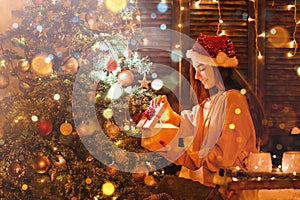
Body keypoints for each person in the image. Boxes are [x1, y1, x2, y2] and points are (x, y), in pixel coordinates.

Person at [142, 33, 268, 200]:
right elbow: (194, 126)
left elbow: (222, 159)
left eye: (201, 69)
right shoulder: (212, 102)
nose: (196, 76)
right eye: (195, 70)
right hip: (209, 188)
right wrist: (170, 116)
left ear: (219, 68)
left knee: (166, 186)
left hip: (226, 193)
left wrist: (171, 147)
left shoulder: (233, 100)